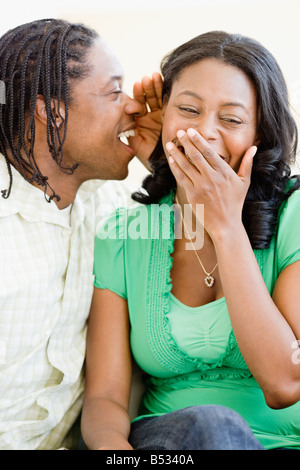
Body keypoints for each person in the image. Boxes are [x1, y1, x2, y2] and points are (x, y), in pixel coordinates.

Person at [82, 31, 300, 450]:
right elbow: (104, 397)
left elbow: (285, 383)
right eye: (187, 110)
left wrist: (224, 226)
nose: (203, 133)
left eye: (231, 120)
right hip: (171, 444)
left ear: (260, 135)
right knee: (212, 425)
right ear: (164, 120)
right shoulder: (125, 234)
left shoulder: (294, 216)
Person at [0, 18, 162, 449]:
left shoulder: (114, 208)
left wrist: (169, 160)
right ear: (51, 110)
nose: (132, 106)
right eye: (113, 92)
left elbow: (207, 232)